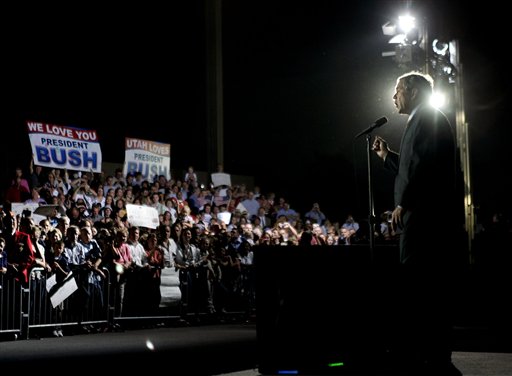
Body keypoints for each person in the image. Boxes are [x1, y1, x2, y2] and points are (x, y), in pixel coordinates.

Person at [372, 71, 463, 375]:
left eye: (397, 90)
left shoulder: (425, 118)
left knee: (419, 285)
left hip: (423, 219)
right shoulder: (426, 118)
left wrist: (402, 202)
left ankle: (427, 355)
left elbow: (420, 168)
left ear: (412, 91)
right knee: (424, 286)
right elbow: (413, 164)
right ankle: (431, 353)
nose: (393, 97)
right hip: (427, 216)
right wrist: (387, 156)